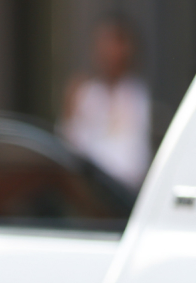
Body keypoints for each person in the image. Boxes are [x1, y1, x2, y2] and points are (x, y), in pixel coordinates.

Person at [59, 14, 151, 190]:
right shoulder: (85, 94)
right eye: (103, 44)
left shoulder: (135, 94)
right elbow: (71, 148)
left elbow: (133, 158)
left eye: (116, 44)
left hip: (124, 191)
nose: (109, 52)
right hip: (90, 192)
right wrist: (69, 112)